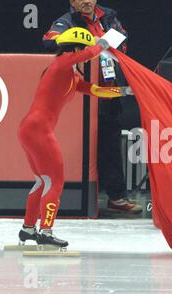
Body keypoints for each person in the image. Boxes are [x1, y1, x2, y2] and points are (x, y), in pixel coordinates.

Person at [18, 27, 133, 247]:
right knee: (55, 182)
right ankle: (46, 232)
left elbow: (96, 90)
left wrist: (125, 91)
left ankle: (28, 229)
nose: (90, 57)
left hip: (30, 129)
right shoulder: (63, 63)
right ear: (77, 47)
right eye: (84, 48)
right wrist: (103, 43)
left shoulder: (71, 73)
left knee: (42, 181)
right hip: (39, 130)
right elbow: (88, 54)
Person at [43, 0, 143, 213]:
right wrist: (89, 43)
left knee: (110, 144)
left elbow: (123, 43)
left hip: (109, 89)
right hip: (82, 93)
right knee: (80, 146)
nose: (87, 1)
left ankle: (116, 197)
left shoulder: (108, 16)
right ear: (72, 2)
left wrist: (108, 44)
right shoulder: (66, 21)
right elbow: (49, 42)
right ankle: (71, 199)